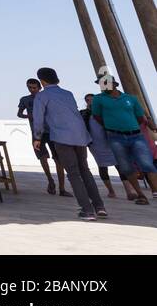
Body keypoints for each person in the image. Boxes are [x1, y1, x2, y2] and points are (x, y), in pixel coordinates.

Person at [32, 67, 106, 220]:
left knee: (73, 173)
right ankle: (99, 207)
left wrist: (37, 138)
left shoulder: (42, 96)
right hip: (80, 136)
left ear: (42, 81)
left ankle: (87, 210)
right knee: (85, 170)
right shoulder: (68, 93)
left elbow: (38, 119)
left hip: (62, 136)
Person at [91, 82, 157, 203]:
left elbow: (140, 116)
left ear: (114, 84)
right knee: (126, 167)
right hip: (115, 136)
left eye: (105, 83)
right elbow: (97, 116)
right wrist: (110, 126)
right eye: (101, 84)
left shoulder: (130, 98)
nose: (103, 86)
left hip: (136, 135)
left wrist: (131, 126)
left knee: (147, 164)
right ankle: (141, 195)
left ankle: (155, 191)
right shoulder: (98, 99)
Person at [81, 94, 137, 201]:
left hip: (110, 141)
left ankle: (129, 191)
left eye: (92, 100)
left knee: (119, 165)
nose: (90, 102)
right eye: (87, 100)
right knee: (102, 167)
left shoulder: (105, 111)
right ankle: (111, 191)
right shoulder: (84, 113)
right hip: (95, 144)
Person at [18, 77, 66, 196]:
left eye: (34, 87)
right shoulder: (25, 99)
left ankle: (62, 188)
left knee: (58, 159)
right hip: (37, 133)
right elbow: (19, 113)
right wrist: (29, 116)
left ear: (39, 87)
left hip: (52, 131)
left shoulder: (46, 97)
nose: (32, 90)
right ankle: (50, 181)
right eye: (30, 87)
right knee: (42, 157)